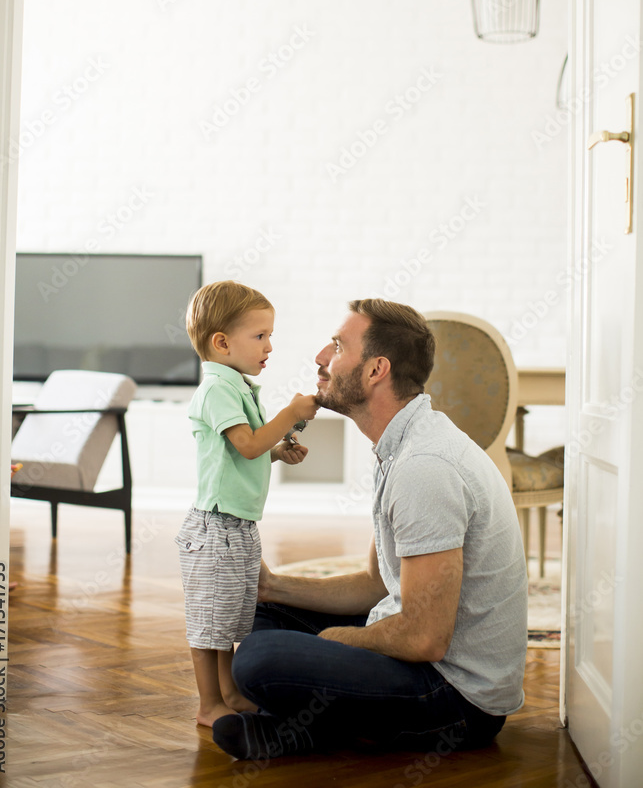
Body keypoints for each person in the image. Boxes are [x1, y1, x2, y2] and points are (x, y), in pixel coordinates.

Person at [212, 298, 528, 760]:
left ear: (377, 369)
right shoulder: (402, 443)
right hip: (422, 654)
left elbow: (425, 638)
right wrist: (273, 586)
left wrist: (330, 643)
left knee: (260, 661)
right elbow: (376, 584)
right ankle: (309, 728)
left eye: (338, 346)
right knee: (266, 617)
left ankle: (314, 730)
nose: (321, 356)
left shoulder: (425, 468)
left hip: (457, 699)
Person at [175, 280, 318, 727]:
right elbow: (250, 444)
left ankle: (229, 692)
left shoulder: (236, 387)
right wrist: (290, 415)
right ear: (221, 343)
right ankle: (208, 704)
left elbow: (246, 451)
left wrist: (278, 450)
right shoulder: (217, 390)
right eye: (260, 336)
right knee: (208, 624)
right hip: (214, 528)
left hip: (236, 527)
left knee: (230, 619)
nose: (269, 346)